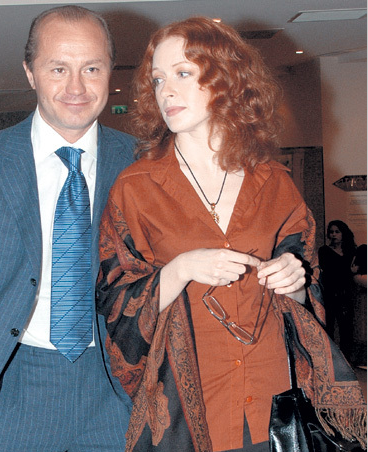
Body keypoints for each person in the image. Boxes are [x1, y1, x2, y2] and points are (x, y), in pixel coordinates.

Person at [96, 17, 366, 452]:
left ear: (226, 78)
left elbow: (310, 292)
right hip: (190, 411)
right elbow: (113, 302)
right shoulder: (135, 188)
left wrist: (295, 281)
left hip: (275, 400)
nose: (166, 91)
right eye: (158, 79)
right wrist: (180, 269)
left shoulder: (274, 181)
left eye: (183, 73)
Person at [0, 5, 135, 452]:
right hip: (18, 389)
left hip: (118, 387)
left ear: (110, 71)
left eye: (91, 68)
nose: (76, 87)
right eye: (58, 68)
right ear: (30, 72)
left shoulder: (143, 165)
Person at [318, 220, 357, 357]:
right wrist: (349, 270)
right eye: (331, 232)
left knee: (346, 328)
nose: (333, 235)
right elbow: (330, 270)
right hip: (330, 293)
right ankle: (331, 358)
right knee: (329, 326)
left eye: (337, 232)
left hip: (346, 293)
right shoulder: (324, 251)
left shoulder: (350, 251)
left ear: (343, 233)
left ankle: (346, 358)